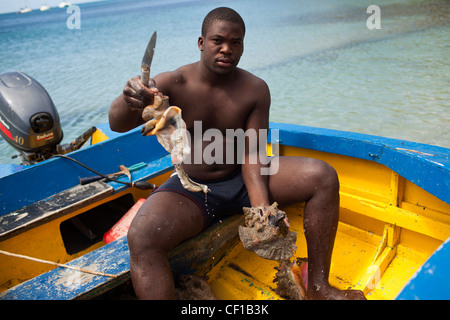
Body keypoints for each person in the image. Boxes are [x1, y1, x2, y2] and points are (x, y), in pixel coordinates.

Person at [109, 7, 365, 300]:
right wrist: (130, 97)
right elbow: (116, 123)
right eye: (218, 40)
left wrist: (262, 210)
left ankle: (320, 289)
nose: (227, 49)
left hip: (242, 181)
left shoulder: (254, 89)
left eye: (236, 42)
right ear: (201, 42)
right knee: (141, 236)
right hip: (192, 190)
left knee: (323, 176)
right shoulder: (173, 83)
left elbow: (254, 154)